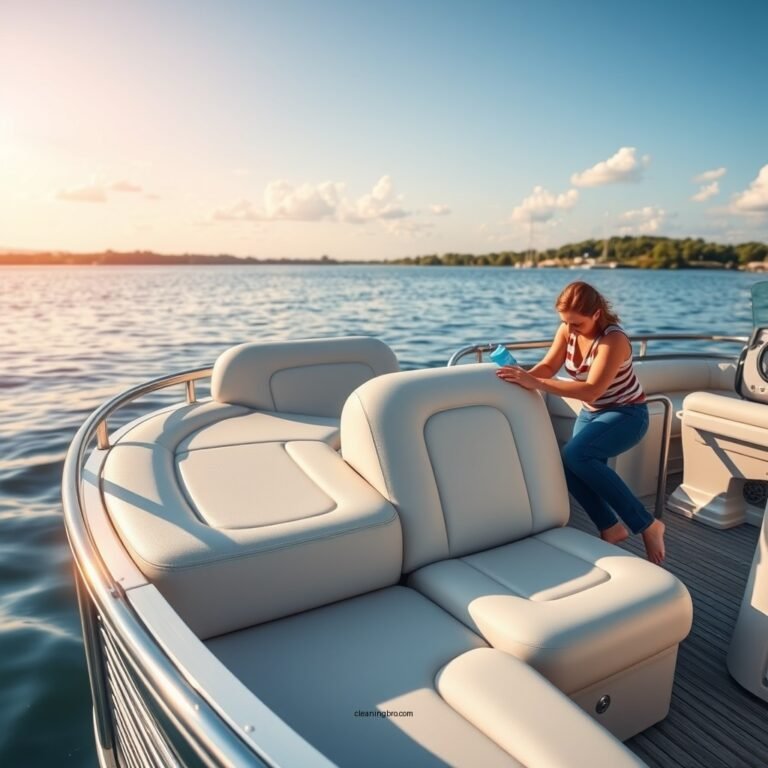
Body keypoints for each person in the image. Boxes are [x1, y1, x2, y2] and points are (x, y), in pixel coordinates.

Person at [496, 281, 666, 564]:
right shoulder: (567, 330)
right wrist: (519, 378)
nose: (570, 329)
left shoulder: (613, 340)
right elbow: (549, 366)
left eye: (576, 324)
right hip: (592, 412)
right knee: (568, 463)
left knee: (577, 454)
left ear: (597, 314)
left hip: (627, 414)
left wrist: (536, 382)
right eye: (565, 323)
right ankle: (611, 528)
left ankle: (648, 525)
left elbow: (591, 389)